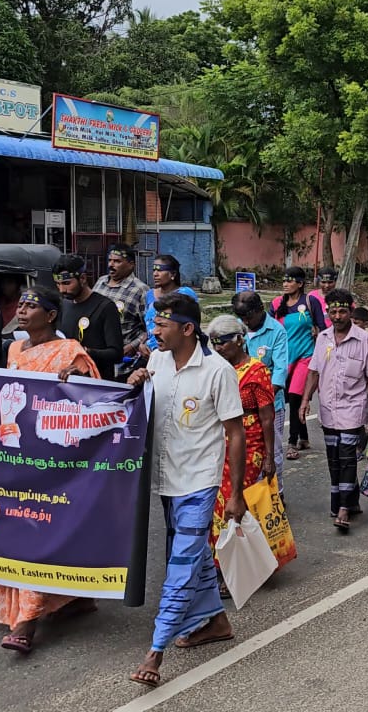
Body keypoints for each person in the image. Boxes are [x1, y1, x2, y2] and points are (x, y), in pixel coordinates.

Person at [127, 292, 246, 688]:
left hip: (199, 481)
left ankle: (155, 652)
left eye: (162, 325)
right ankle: (215, 620)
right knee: (189, 555)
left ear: (188, 329)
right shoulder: (157, 359)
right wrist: (136, 381)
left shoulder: (217, 371)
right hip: (166, 480)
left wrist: (236, 493)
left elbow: (235, 433)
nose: (154, 331)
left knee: (178, 564)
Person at [0, 286, 100, 653]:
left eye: (31, 306)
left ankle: (27, 620)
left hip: (55, 462)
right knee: (23, 530)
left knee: (40, 532)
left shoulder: (69, 350)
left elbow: (92, 397)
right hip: (18, 453)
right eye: (19, 304)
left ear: (51, 315)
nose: (21, 311)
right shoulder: (13, 349)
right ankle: (72, 598)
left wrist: (79, 375)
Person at [205, 314, 277, 593]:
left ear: (238, 339)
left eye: (222, 342)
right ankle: (222, 562)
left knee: (236, 502)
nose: (218, 348)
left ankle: (233, 567)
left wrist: (270, 457)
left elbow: (267, 417)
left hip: (250, 444)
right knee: (217, 504)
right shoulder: (215, 368)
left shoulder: (257, 371)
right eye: (213, 343)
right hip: (218, 442)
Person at [300, 289, 368, 533]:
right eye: (333, 311)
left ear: (350, 311)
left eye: (342, 311)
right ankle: (349, 501)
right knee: (333, 458)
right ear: (328, 313)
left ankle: (344, 507)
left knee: (346, 458)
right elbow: (313, 371)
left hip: (353, 408)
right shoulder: (322, 338)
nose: (338, 316)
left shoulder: (364, 340)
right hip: (328, 409)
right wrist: (305, 400)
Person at [235, 291, 290, 487]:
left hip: (270, 402)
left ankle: (276, 494)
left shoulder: (277, 331)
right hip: (238, 404)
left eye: (248, 317)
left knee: (271, 452)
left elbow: (281, 369)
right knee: (243, 450)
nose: (245, 321)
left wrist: (262, 398)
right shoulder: (236, 328)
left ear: (260, 310)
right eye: (241, 317)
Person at [274, 266, 326, 458]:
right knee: (287, 398)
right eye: (284, 281)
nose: (286, 284)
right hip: (284, 358)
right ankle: (304, 437)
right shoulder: (277, 304)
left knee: (295, 396)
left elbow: (322, 328)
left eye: (290, 281)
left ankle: (292, 443)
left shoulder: (310, 302)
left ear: (300, 283)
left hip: (306, 356)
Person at [51, 254, 123, 381]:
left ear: (83, 278)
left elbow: (116, 353)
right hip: (65, 381)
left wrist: (85, 351)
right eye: (58, 284)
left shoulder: (105, 307)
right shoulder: (64, 305)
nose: (62, 289)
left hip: (97, 384)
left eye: (66, 283)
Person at [93, 243, 150, 371]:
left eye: (117, 261)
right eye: (110, 260)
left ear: (131, 264)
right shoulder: (100, 282)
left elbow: (150, 328)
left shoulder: (140, 290)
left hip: (123, 365)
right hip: (96, 358)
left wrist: (132, 346)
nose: (111, 265)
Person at [142, 255, 198, 353]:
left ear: (173, 274)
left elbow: (192, 325)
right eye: (154, 270)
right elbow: (148, 326)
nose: (155, 274)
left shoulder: (184, 294)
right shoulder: (149, 295)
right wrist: (142, 344)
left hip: (175, 350)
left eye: (160, 270)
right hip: (149, 352)